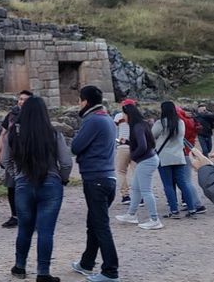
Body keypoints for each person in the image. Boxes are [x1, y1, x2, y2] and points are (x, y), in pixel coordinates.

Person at [4, 97, 72, 282]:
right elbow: (66, 161)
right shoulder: (53, 133)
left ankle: (19, 267)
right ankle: (43, 272)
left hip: (23, 184)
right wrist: (62, 178)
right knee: (46, 231)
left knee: (24, 229)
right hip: (50, 183)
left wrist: (17, 175)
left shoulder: (13, 134)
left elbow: (5, 160)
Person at [70, 85, 120, 282]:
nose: (78, 104)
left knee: (100, 226)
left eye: (80, 100)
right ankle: (86, 263)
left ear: (86, 101)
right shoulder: (107, 119)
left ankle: (111, 271)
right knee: (94, 224)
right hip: (108, 178)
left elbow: (76, 146)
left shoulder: (92, 120)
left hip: (96, 180)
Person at [115, 103, 162, 230]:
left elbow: (142, 146)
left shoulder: (137, 127)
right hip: (149, 159)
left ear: (128, 114)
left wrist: (133, 155)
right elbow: (145, 143)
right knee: (136, 188)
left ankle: (154, 219)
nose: (123, 116)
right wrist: (128, 142)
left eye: (124, 114)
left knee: (146, 191)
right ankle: (131, 214)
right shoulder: (142, 124)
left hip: (146, 160)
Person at [152, 101, 198, 219]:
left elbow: (153, 135)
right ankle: (192, 208)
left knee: (168, 184)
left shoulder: (160, 123)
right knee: (183, 183)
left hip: (164, 157)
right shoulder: (180, 123)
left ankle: (174, 210)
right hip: (179, 156)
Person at [0, 89, 33, 228]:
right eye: (20, 99)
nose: (21, 101)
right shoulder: (11, 115)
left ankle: (29, 215)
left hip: (28, 157)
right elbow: (3, 134)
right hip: (11, 156)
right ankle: (15, 216)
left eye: (25, 99)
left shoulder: (34, 116)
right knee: (11, 186)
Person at [176, 106, 206, 214]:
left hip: (184, 153)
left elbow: (177, 113)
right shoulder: (192, 121)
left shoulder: (185, 122)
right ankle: (192, 203)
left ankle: (197, 204)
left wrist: (179, 111)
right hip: (189, 152)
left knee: (187, 181)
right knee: (186, 180)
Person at [113, 100, 135, 205]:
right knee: (136, 172)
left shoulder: (118, 116)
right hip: (136, 146)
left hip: (123, 146)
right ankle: (139, 196)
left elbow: (114, 130)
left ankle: (125, 196)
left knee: (121, 171)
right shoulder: (138, 117)